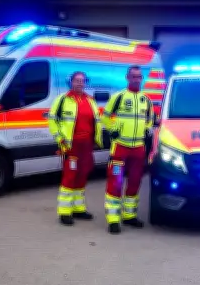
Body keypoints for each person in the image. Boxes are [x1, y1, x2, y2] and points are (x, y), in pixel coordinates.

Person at [101, 65, 153, 234]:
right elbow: (105, 117)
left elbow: (150, 120)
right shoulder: (119, 97)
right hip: (120, 148)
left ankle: (129, 216)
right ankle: (113, 220)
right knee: (115, 182)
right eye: (134, 76)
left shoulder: (147, 100)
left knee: (135, 182)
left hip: (138, 148)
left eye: (139, 77)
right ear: (127, 78)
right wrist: (113, 130)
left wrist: (148, 129)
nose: (137, 79)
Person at [47, 71, 103, 226]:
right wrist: (60, 139)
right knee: (70, 176)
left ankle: (78, 209)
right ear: (71, 82)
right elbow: (52, 121)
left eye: (82, 81)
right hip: (71, 146)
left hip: (86, 145)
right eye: (77, 80)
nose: (79, 83)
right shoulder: (63, 100)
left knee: (82, 175)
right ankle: (65, 212)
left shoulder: (90, 100)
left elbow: (96, 121)